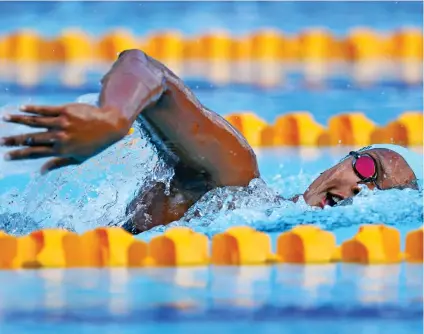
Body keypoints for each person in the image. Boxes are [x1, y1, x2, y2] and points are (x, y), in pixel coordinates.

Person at [1, 49, 422, 234]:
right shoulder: (235, 178)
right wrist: (113, 118)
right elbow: (147, 70)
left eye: (376, 193)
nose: (357, 189)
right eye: (368, 169)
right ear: (343, 160)